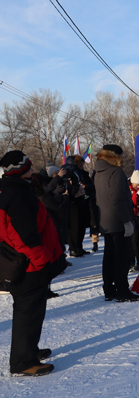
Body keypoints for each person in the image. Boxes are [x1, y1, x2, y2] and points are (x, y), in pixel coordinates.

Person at [0, 151, 66, 376]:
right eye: (28, 166)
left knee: (32, 311)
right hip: (28, 265)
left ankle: (29, 351)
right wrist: (42, 259)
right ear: (20, 169)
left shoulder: (12, 189)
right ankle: (22, 362)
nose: (31, 169)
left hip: (24, 263)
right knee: (28, 312)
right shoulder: (16, 195)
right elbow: (23, 236)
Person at [93, 145, 139, 302]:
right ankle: (122, 290)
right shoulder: (116, 172)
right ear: (115, 156)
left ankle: (109, 289)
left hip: (106, 221)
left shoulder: (98, 172)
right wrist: (127, 221)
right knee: (122, 258)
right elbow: (118, 198)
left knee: (109, 257)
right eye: (121, 155)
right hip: (118, 221)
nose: (122, 158)